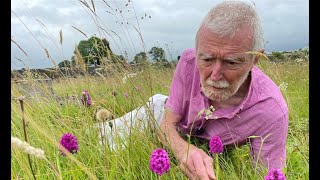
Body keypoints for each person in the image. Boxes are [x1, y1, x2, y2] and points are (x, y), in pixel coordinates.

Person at [97, 1, 288, 179]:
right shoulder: (188, 62)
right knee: (100, 140)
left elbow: (266, 173)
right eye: (206, 59)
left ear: (255, 59)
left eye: (231, 62)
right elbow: (166, 125)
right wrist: (183, 151)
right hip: (158, 114)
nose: (215, 75)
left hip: (199, 142)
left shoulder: (271, 111)